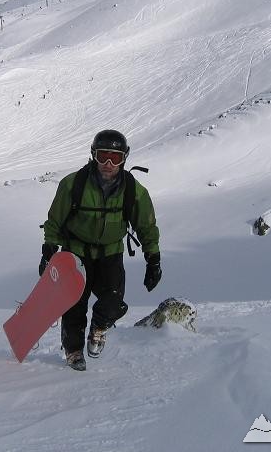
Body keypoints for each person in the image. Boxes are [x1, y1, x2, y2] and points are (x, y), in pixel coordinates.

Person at [41, 130, 161, 371]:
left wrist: (153, 259)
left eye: (115, 158)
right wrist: (49, 251)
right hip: (76, 253)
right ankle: (73, 351)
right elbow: (55, 220)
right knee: (74, 304)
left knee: (114, 301)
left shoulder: (133, 191)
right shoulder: (73, 184)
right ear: (93, 155)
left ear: (124, 158)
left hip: (110, 253)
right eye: (103, 156)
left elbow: (146, 225)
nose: (108, 164)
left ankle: (98, 328)